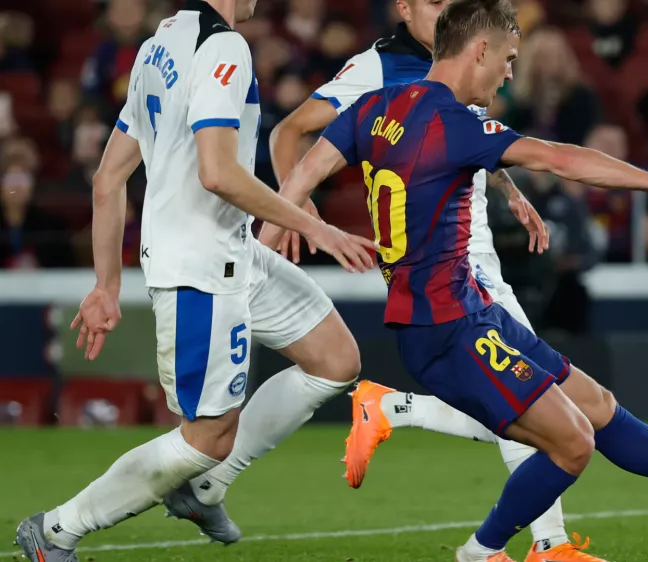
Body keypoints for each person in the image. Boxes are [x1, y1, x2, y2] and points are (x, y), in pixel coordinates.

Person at [261, 1, 648, 560]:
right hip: (447, 328)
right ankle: (483, 551)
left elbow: (300, 177)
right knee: (573, 444)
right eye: (507, 59)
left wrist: (281, 247)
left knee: (595, 405)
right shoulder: (455, 122)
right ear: (479, 50)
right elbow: (560, 159)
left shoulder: (375, 108)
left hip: (468, 311)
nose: (508, 73)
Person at [13, 1, 376, 560]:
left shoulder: (162, 41)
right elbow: (218, 171)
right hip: (200, 269)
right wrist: (312, 225)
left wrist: (106, 284)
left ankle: (205, 483)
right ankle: (58, 528)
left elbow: (109, 178)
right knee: (207, 436)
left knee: (335, 359)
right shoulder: (223, 46)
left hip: (231, 250)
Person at [267, 2, 601, 559]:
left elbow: (464, 142)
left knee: (529, 395)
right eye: (434, 0)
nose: (447, 8)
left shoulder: (463, 67)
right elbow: (291, 131)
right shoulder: (375, 72)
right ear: (404, 7)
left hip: (475, 250)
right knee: (535, 396)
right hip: (443, 266)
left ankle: (397, 412)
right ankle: (548, 543)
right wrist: (302, 219)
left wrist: (510, 190)